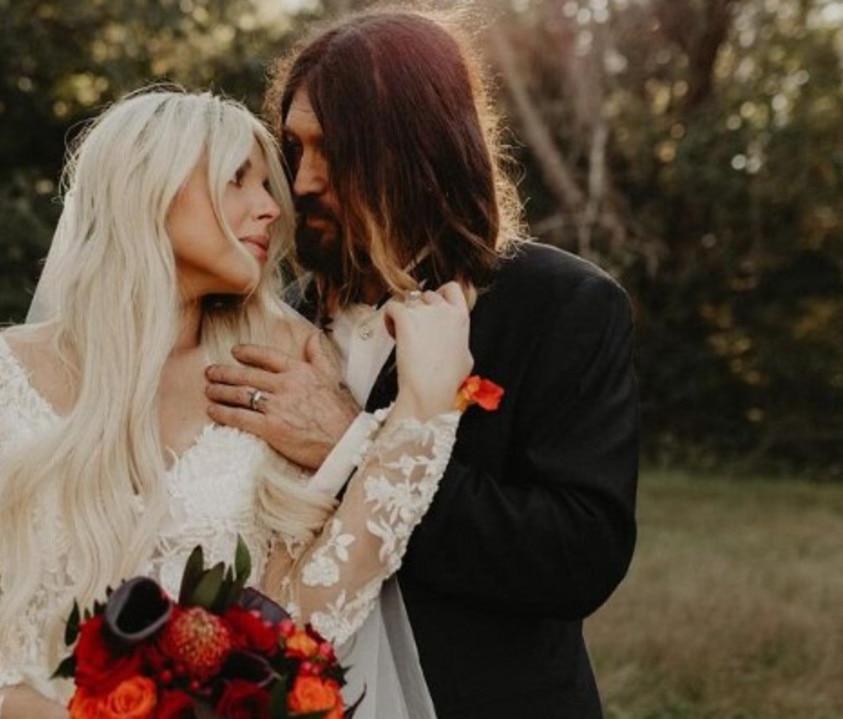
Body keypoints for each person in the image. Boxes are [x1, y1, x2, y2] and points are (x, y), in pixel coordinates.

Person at [0, 88, 475, 719]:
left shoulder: (280, 367)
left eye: (266, 184)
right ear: (148, 189)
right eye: (237, 180)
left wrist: (423, 412)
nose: (272, 207)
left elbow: (307, 620)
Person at [205, 9, 639, 718]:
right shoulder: (271, 319)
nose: (305, 181)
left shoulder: (562, 307)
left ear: (420, 151)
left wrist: (353, 444)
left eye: (335, 151)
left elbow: (575, 558)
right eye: (295, 148)